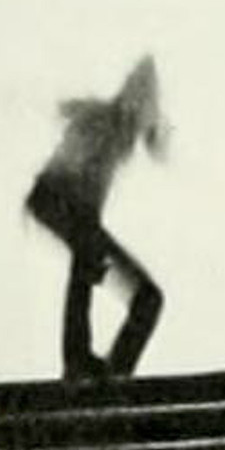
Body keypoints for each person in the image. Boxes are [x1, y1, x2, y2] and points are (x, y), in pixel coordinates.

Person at [26, 54, 167, 380]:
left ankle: (101, 368)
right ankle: (83, 362)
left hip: (67, 207)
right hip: (57, 199)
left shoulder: (122, 132)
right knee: (95, 261)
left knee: (142, 296)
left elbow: (160, 149)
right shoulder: (103, 118)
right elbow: (67, 120)